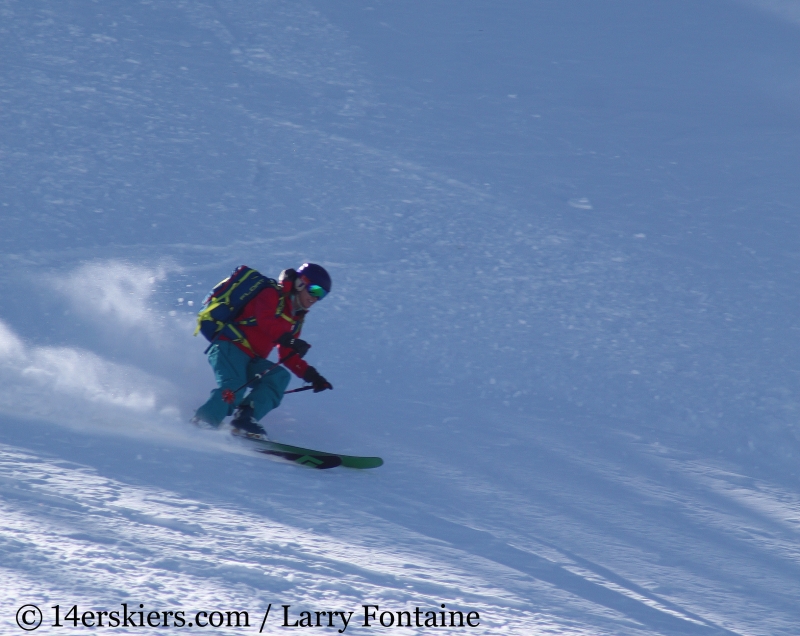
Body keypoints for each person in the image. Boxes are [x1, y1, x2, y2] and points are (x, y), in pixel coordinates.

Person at [192, 262, 333, 437]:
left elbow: (287, 355)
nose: (316, 298)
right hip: (230, 345)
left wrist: (311, 375)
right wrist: (288, 339)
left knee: (278, 377)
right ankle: (203, 421)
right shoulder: (272, 293)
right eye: (315, 290)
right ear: (300, 283)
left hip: (252, 358)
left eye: (322, 295)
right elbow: (264, 320)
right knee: (235, 386)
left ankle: (245, 417)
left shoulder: (295, 318)